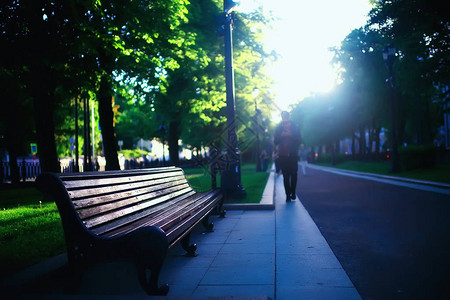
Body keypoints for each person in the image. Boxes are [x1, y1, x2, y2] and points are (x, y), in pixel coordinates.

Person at [274, 111, 301, 202]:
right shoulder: (278, 128)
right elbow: (275, 141)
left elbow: (299, 139)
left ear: (289, 116)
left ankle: (293, 192)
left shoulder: (295, 127)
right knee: (285, 175)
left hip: (293, 154)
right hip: (283, 154)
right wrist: (281, 136)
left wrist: (291, 135)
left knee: (294, 174)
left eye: (286, 116)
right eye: (283, 116)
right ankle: (287, 195)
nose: (284, 118)